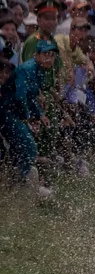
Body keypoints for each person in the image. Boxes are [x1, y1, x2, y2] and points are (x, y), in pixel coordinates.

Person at [0, 39, 58, 198]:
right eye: (45, 54)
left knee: (22, 149)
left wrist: (40, 114)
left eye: (52, 55)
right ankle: (22, 183)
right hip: (7, 113)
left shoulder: (40, 70)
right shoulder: (27, 69)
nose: (49, 58)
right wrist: (28, 118)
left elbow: (32, 96)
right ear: (36, 55)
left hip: (17, 114)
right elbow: (20, 96)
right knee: (29, 146)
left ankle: (14, 184)